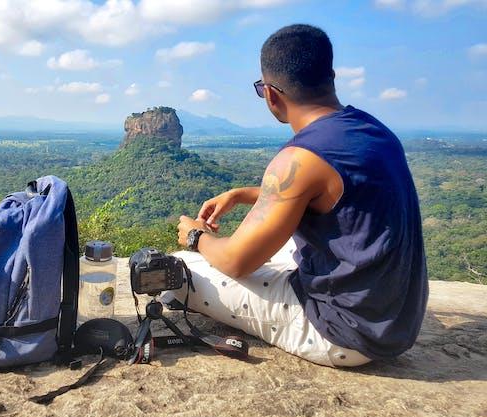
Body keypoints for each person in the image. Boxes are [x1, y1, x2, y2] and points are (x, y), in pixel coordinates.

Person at [171, 24, 428, 367]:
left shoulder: (298, 159)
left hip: (343, 333)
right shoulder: (374, 130)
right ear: (331, 77)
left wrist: (195, 235)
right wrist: (242, 194)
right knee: (286, 242)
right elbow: (335, 195)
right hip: (395, 321)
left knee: (175, 270)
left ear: (271, 94)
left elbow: (235, 261)